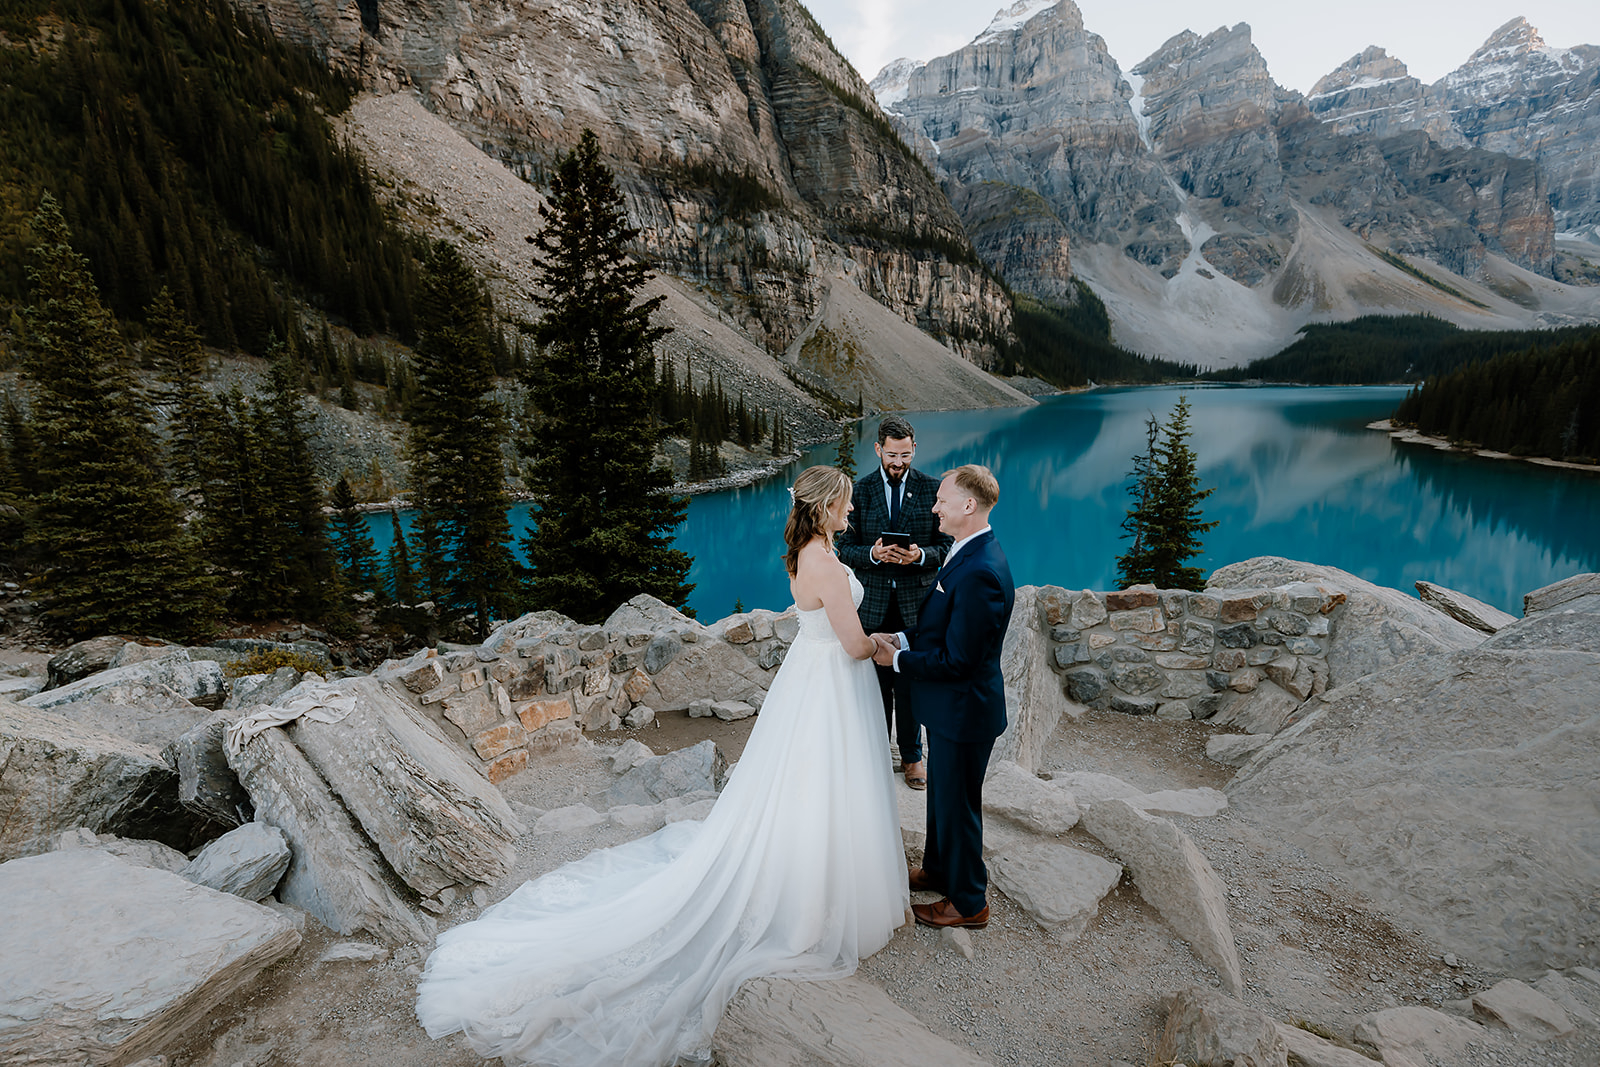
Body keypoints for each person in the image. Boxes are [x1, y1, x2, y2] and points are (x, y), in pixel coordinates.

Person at [415, 465, 907, 1067]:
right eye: (848, 504)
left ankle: (812, 870)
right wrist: (886, 645)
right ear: (827, 506)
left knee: (803, 786)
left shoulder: (808, 552)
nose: (853, 512)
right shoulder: (825, 564)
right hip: (831, 682)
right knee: (826, 782)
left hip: (810, 680)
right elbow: (853, 645)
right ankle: (815, 893)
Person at [872, 464, 1014, 930]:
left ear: (968, 506)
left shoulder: (981, 572)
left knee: (959, 805)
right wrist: (903, 638)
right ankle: (937, 868)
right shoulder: (966, 551)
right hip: (952, 708)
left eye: (942, 501)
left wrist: (895, 662)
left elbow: (959, 661)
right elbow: (941, 625)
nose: (933, 507)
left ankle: (970, 901)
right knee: (944, 798)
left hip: (965, 709)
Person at [836, 415, 952, 791]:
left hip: (914, 605)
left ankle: (913, 757)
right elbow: (844, 547)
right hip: (870, 605)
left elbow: (946, 545)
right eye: (891, 454)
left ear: (914, 449)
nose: (899, 462)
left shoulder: (932, 489)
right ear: (878, 450)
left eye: (905, 454)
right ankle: (873, 754)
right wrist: (872, 554)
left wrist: (918, 555)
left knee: (910, 681)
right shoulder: (861, 490)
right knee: (873, 684)